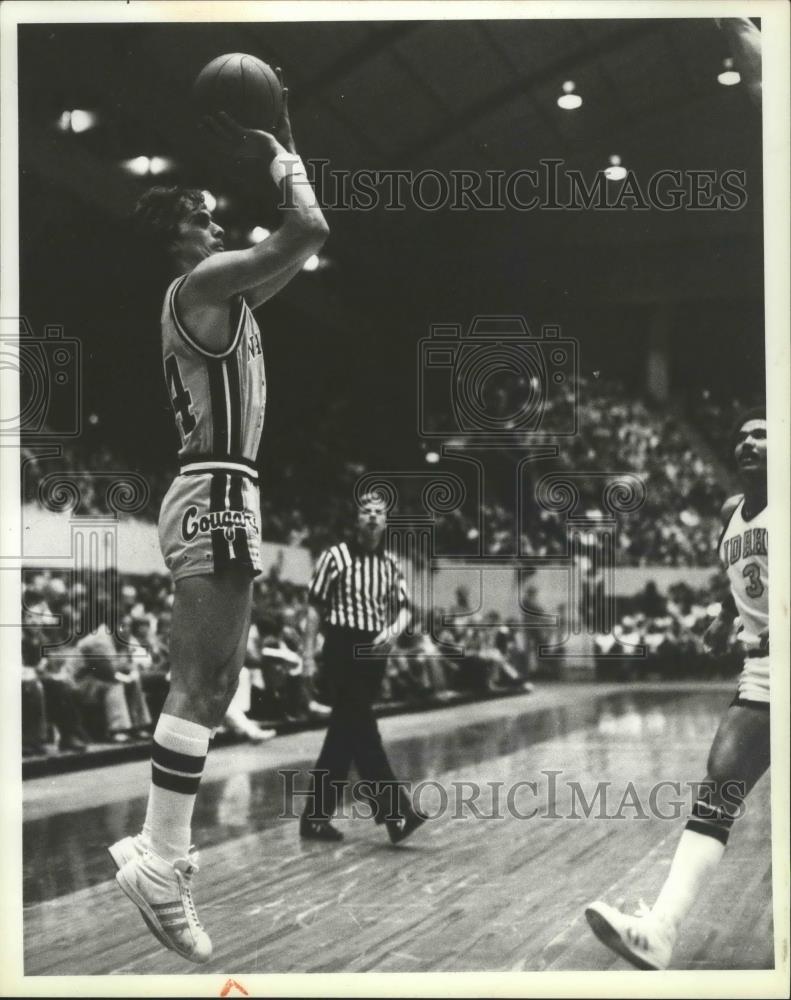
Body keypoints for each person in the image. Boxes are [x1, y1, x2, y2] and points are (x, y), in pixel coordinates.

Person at [107, 70, 328, 964]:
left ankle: (159, 849)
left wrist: (287, 196)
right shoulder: (199, 282)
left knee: (213, 679)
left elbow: (291, 257)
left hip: (221, 488)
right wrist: (288, 166)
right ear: (178, 236)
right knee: (201, 683)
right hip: (213, 488)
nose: (215, 223)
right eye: (201, 214)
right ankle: (162, 859)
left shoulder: (217, 295)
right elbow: (307, 230)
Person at [585, 409, 770, 969]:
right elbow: (731, 573)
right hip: (765, 671)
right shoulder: (730, 514)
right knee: (719, 788)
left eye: (762, 435)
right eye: (741, 435)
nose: (748, 442)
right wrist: (721, 615)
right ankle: (660, 930)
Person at [299, 492, 428, 845]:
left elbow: (404, 608)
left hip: (374, 647)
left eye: (378, 513)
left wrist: (393, 630)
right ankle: (396, 813)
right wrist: (308, 657)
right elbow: (314, 609)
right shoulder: (335, 557)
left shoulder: (389, 564)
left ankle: (314, 820)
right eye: (365, 512)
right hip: (341, 645)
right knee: (362, 727)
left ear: (385, 522)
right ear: (357, 520)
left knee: (344, 736)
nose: (372, 517)